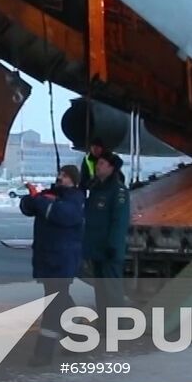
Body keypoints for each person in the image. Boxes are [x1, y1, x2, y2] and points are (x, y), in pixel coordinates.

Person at [19, 165, 87, 365]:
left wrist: (39, 200)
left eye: (65, 176)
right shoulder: (50, 196)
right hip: (48, 259)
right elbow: (27, 207)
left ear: (74, 181)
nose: (60, 178)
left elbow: (62, 215)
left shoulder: (75, 199)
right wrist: (33, 198)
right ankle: (80, 338)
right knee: (61, 300)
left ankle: (43, 353)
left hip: (61, 261)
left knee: (53, 305)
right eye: (60, 175)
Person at [82, 152, 131, 334]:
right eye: (98, 164)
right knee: (101, 290)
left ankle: (118, 325)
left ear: (111, 168)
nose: (98, 166)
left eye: (102, 163)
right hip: (96, 248)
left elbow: (119, 221)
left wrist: (114, 245)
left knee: (112, 289)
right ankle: (104, 324)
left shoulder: (118, 191)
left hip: (109, 249)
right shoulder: (96, 189)